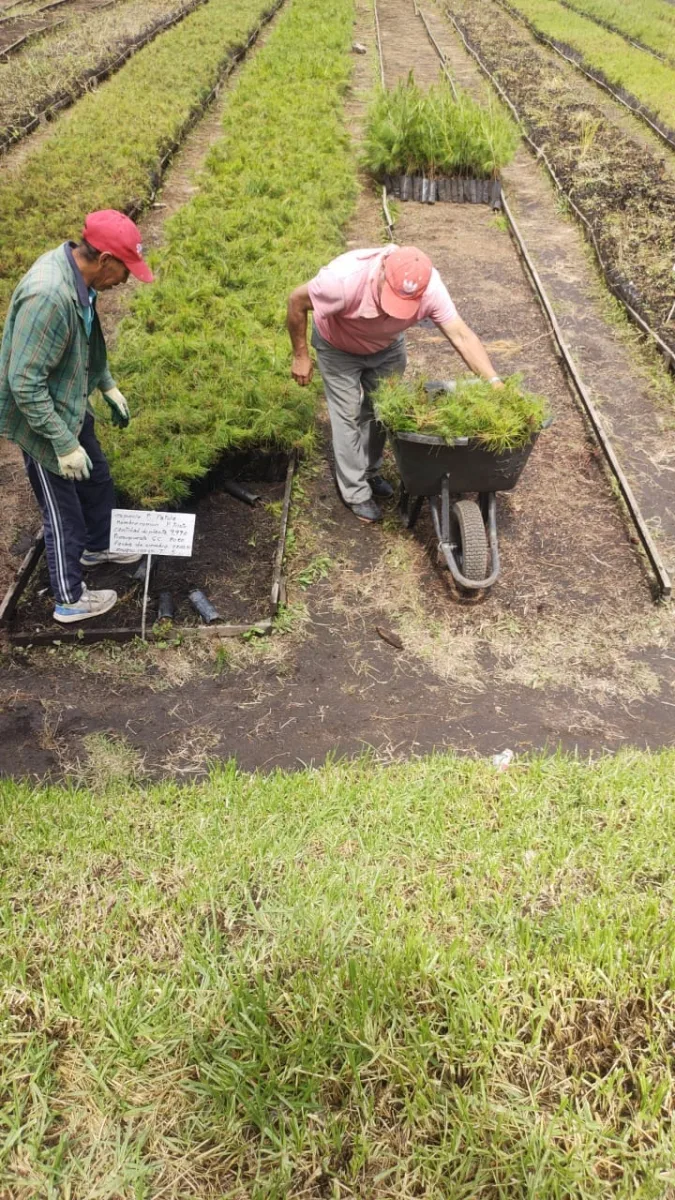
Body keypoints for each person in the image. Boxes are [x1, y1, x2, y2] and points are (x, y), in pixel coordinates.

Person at [0, 209, 154, 623]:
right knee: (62, 510)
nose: (126, 280)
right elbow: (24, 383)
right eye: (125, 270)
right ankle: (69, 598)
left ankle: (98, 544)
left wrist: (105, 382)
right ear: (104, 259)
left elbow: (86, 337)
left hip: (67, 400)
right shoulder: (48, 296)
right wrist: (63, 444)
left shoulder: (81, 280)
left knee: (97, 476)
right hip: (40, 421)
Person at [287, 244, 504, 522]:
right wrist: (300, 355)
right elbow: (296, 301)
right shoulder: (340, 281)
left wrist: (494, 381)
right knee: (347, 417)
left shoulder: (430, 288)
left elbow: (461, 335)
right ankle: (355, 492)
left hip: (387, 349)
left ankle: (369, 470)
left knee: (381, 411)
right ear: (381, 272)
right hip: (338, 347)